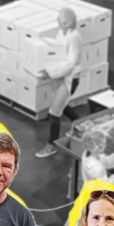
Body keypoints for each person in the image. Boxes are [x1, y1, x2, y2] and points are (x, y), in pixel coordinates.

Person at [34, 8, 83, 159]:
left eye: (59, 19)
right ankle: (81, 126)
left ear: (66, 22)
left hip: (69, 78)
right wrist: (48, 69)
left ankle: (51, 145)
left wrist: (50, 72)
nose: (57, 21)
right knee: (61, 104)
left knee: (54, 113)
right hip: (60, 77)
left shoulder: (73, 37)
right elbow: (57, 54)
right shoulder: (62, 33)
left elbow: (69, 63)